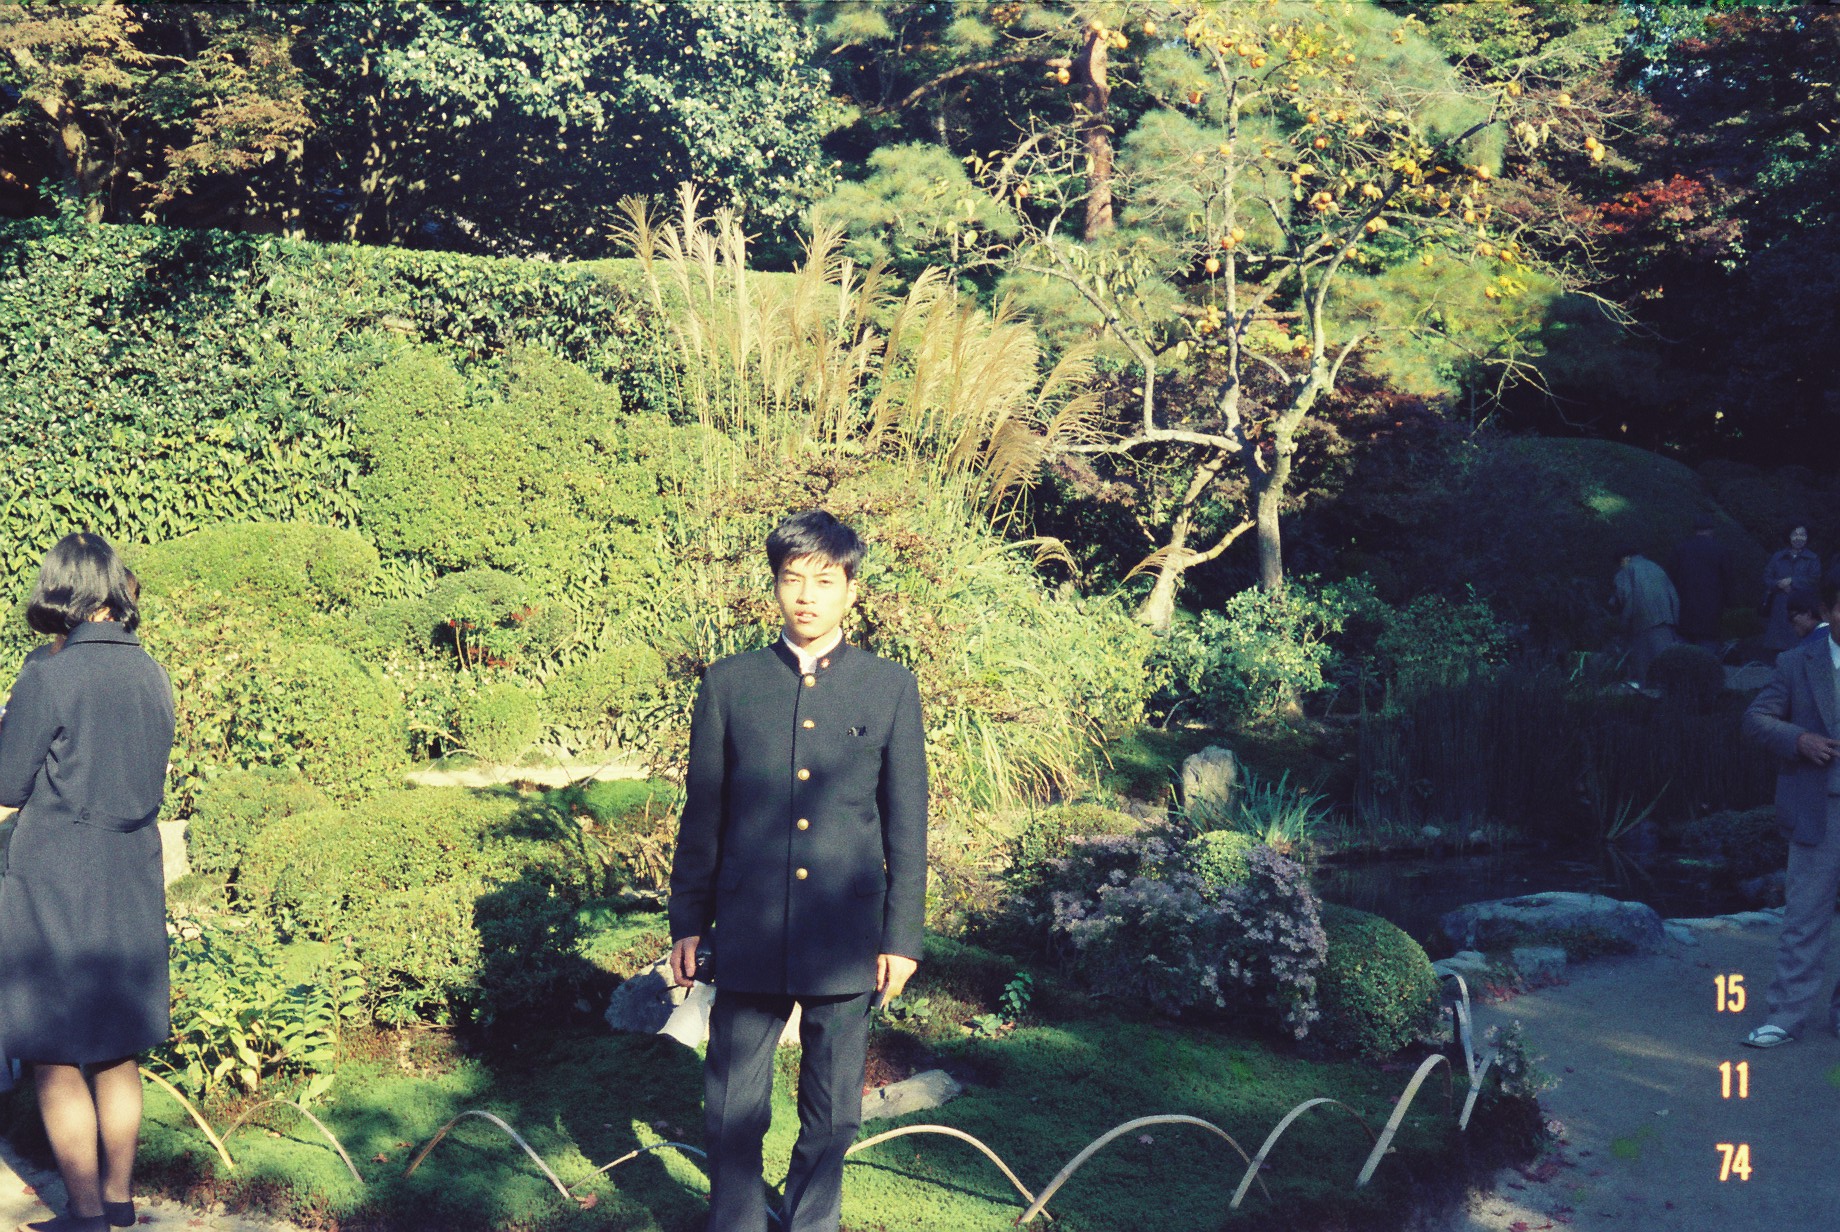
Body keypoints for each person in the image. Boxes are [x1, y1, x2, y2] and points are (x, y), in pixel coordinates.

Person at [668, 510, 928, 1232]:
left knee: (835, 1113)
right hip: (749, 927)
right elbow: (704, 813)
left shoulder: (888, 687)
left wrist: (901, 938)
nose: (806, 596)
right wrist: (688, 921)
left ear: (851, 590)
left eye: (824, 581)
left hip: (846, 934)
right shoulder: (730, 683)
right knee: (731, 1106)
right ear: (775, 586)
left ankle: (812, 1222)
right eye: (792, 580)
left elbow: (907, 823)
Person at [0, 535, 176, 1232]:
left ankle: (84, 1212)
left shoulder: (50, 675)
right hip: (130, 869)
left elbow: (8, 783)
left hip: (55, 877)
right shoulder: (153, 672)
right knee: (113, 1047)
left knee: (51, 1048)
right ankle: (120, 1202)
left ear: (60, 589)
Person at [1739, 574, 1840, 1048]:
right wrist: (1799, 739)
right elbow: (1755, 718)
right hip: (1818, 808)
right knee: (1804, 917)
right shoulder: (1797, 661)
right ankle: (1785, 1016)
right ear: (1829, 610)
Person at [1611, 547, 1680, 681]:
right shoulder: (1656, 568)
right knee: (1666, 670)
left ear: (1624, 559)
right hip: (1667, 625)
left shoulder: (1626, 570)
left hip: (1642, 625)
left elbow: (1626, 598)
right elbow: (1674, 597)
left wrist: (1623, 625)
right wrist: (1674, 622)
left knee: (1645, 672)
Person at [1668, 513, 1734, 651]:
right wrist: (1728, 603)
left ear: (1695, 530)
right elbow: (1728, 580)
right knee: (1707, 654)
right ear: (1711, 530)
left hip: (1684, 610)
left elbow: (1671, 578)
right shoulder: (1721, 550)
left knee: (1684, 653)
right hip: (1710, 612)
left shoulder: (1680, 549)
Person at [1762, 524, 1822, 652]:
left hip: (1802, 607)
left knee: (1799, 645)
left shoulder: (1813, 558)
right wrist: (1778, 584)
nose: (1798, 538)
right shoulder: (1778, 557)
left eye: (1802, 535)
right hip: (1779, 606)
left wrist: (1793, 581)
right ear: (1789, 536)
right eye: (1795, 534)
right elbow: (1767, 577)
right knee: (1777, 647)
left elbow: (1814, 579)